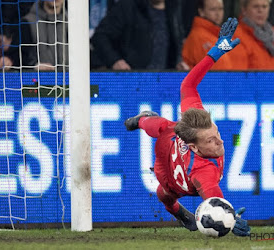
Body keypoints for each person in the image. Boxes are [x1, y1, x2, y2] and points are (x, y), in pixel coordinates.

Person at [125, 18, 250, 236]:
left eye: (217, 133)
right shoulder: (203, 171)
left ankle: (144, 119)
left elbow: (188, 84)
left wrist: (217, 50)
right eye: (211, 141)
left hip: (178, 152)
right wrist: (233, 219)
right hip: (170, 167)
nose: (220, 141)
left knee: (164, 128)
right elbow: (215, 199)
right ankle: (142, 119)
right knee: (164, 189)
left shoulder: (199, 126)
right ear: (194, 147)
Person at [90, 0, 189, 71]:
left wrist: (177, 64)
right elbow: (100, 36)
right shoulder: (128, 6)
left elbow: (174, 44)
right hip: (133, 81)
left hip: (162, 83)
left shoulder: (175, 10)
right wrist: (115, 61)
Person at [182, 0, 247, 70]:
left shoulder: (222, 35)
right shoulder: (197, 37)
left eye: (220, 9)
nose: (218, 13)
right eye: (213, 9)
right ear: (201, 12)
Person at [10, 0, 68, 70]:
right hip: (36, 78)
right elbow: (16, 57)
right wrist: (34, 66)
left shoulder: (72, 23)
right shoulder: (27, 23)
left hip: (68, 79)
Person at [237, 0, 274, 69]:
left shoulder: (272, 36)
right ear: (244, 10)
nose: (260, 11)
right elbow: (237, 75)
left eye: (264, 7)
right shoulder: (237, 37)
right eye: (255, 7)